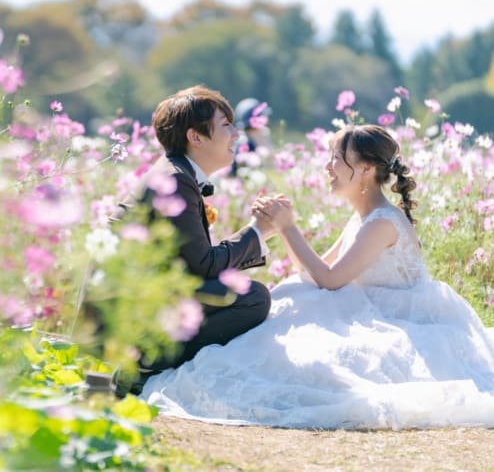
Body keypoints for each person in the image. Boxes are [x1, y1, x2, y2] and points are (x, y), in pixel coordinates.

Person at [141, 124, 494, 429]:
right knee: (295, 298)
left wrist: (289, 227)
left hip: (400, 319)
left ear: (366, 169)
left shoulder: (383, 222)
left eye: (337, 159)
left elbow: (330, 279)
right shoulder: (363, 218)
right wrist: (277, 227)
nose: (328, 167)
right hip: (369, 308)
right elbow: (313, 272)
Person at [114, 85, 275, 394]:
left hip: (143, 293)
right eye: (226, 125)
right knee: (252, 297)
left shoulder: (176, 173)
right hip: (134, 302)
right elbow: (202, 266)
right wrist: (259, 230)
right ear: (195, 137)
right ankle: (147, 361)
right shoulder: (176, 179)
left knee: (244, 293)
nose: (236, 134)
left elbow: (192, 263)